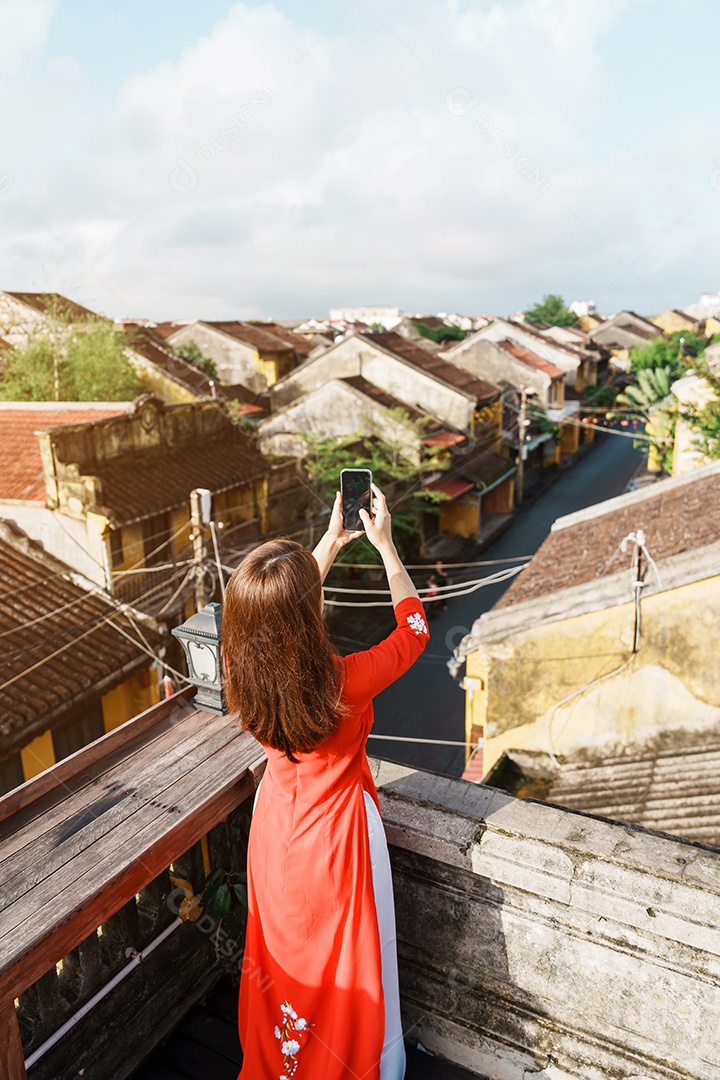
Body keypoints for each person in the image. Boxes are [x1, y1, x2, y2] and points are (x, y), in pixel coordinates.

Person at [224, 483, 430, 1080]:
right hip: (337, 836)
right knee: (346, 962)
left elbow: (273, 614)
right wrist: (385, 548)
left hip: (274, 828)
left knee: (285, 955)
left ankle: (284, 1057)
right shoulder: (341, 681)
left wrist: (327, 545)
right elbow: (414, 632)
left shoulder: (241, 670)